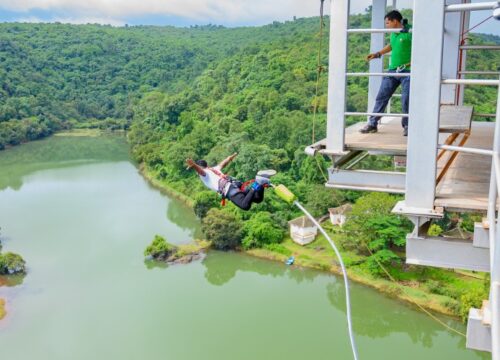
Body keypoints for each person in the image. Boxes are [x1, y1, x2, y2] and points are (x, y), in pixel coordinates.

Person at [360, 10, 412, 137]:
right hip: (393, 70)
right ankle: (372, 124)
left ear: (395, 21)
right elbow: (391, 45)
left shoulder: (410, 32)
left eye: (388, 23)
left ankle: (407, 126)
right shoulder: (394, 34)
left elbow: (422, 46)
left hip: (408, 71)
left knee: (406, 99)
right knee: (382, 96)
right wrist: (378, 54)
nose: (386, 25)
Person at [186, 153, 276, 211]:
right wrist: (229, 158)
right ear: (207, 165)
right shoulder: (213, 169)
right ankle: (260, 182)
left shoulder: (204, 174)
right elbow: (223, 163)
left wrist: (194, 165)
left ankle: (257, 183)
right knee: (257, 198)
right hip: (237, 184)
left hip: (230, 189)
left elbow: (200, 171)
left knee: (245, 205)